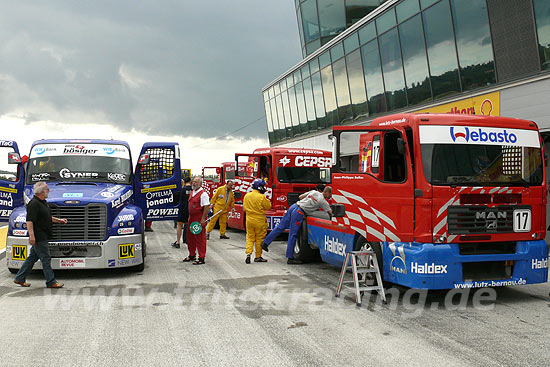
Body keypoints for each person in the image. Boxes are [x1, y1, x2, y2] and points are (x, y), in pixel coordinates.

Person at [14, 182, 67, 288]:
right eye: (47, 189)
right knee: (46, 258)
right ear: (42, 192)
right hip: (39, 236)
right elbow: (29, 221)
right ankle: (51, 281)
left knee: (32, 258)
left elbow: (47, 217)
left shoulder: (43, 203)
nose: (49, 191)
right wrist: (31, 236)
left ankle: (19, 278)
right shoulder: (33, 204)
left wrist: (59, 220)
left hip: (43, 235)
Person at [262, 186, 332, 264]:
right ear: (327, 192)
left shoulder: (314, 192)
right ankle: (290, 257)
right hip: (299, 212)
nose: (330, 196)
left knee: (280, 227)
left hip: (294, 206)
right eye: (330, 194)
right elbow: (330, 212)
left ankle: (265, 243)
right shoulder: (322, 201)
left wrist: (309, 203)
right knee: (293, 234)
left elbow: (300, 197)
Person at [243, 179, 271, 264]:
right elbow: (268, 206)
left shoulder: (247, 196)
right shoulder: (261, 197)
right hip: (259, 220)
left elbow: (244, 208)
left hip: (249, 219)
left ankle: (248, 253)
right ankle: (258, 256)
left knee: (250, 237)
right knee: (259, 238)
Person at [183, 176, 210, 265]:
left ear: (200, 183)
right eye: (193, 181)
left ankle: (201, 257)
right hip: (191, 218)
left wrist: (203, 219)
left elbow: (206, 206)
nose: (194, 183)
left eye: (196, 182)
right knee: (190, 237)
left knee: (200, 238)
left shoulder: (203, 194)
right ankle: (192, 255)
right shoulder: (192, 192)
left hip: (199, 218)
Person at [172, 177, 192, 248]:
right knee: (189, 225)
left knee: (179, 225)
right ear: (191, 181)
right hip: (191, 211)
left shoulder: (181, 190)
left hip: (182, 211)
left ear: (184, 181)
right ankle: (189, 241)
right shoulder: (194, 190)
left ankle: (178, 242)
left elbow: (175, 200)